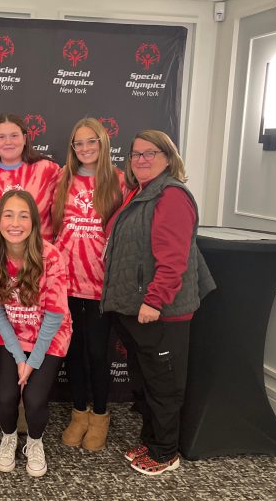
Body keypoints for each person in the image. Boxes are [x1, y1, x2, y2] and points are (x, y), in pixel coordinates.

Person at [101, 130, 215, 476]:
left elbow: (173, 258)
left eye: (150, 153)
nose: (142, 159)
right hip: (136, 310)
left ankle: (165, 451)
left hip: (159, 312)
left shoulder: (172, 196)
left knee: (164, 385)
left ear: (169, 157)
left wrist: (155, 301)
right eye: (136, 154)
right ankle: (152, 441)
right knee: (148, 381)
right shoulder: (141, 193)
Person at [0, 190, 72, 477]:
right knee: (4, 398)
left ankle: (35, 443)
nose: (15, 223)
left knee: (35, 399)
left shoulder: (51, 256)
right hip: (13, 335)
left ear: (34, 223)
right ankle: (9, 436)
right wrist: (17, 357)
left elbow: (54, 316)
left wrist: (33, 361)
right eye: (8, 215)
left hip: (50, 337)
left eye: (23, 216)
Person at [52, 117, 125, 451]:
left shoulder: (119, 181)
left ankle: (100, 415)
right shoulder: (62, 179)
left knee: (98, 353)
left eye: (90, 141)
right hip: (65, 282)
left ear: (102, 143)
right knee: (73, 352)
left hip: (100, 284)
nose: (84, 149)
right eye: (77, 143)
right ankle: (78, 413)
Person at [0, 113, 60, 238]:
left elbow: (65, 213)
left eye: (14, 136)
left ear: (24, 139)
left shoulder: (48, 170)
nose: (8, 142)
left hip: (38, 254)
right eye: (1, 137)